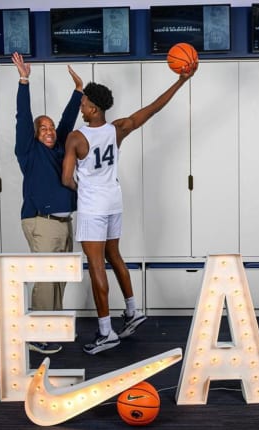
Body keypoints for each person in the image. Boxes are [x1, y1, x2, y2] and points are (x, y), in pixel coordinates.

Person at [62, 63, 197, 354]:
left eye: (84, 104)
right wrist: (181, 81)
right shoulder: (118, 128)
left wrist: (81, 188)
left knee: (97, 266)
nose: (81, 108)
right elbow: (152, 109)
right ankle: (133, 310)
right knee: (115, 255)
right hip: (114, 202)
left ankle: (105, 331)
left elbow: (65, 178)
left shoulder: (76, 137)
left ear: (94, 108)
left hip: (93, 208)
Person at [12, 52, 82, 354]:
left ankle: (50, 328)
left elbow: (67, 121)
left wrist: (78, 92)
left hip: (63, 224)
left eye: (51, 127)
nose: (50, 131)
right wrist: (24, 80)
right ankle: (36, 335)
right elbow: (23, 117)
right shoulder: (28, 151)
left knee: (58, 280)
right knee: (45, 279)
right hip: (42, 221)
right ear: (34, 134)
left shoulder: (58, 149)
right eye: (44, 128)